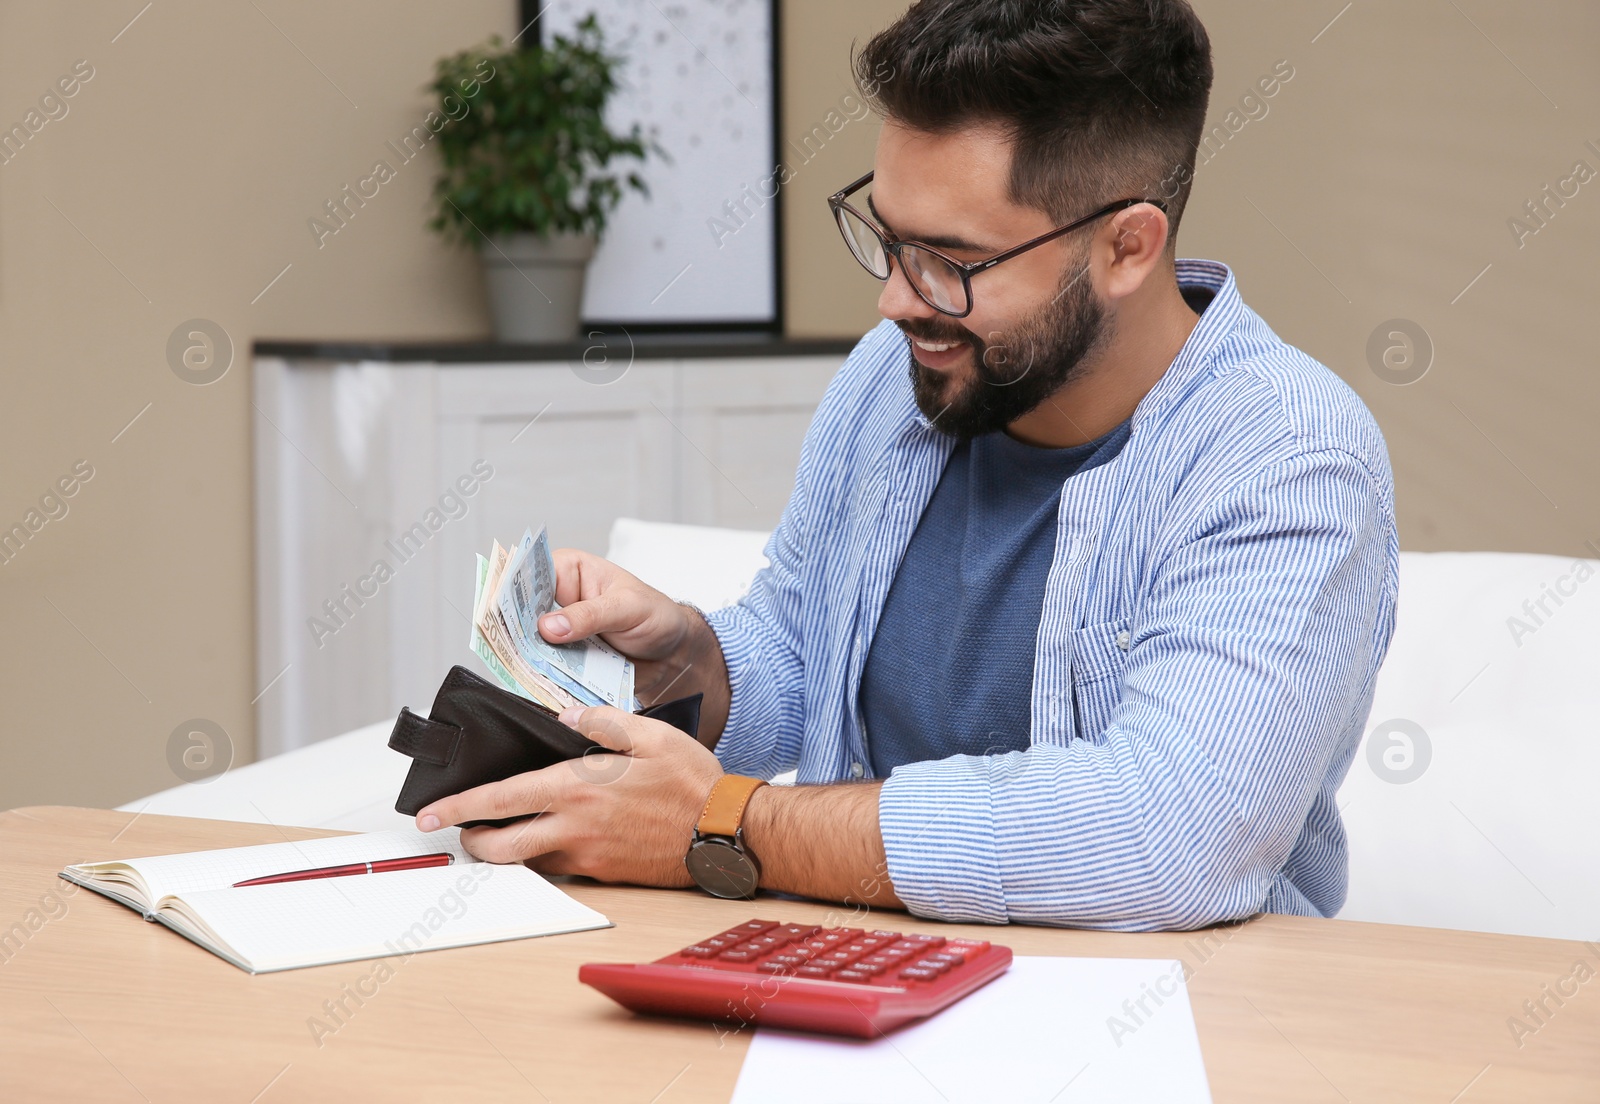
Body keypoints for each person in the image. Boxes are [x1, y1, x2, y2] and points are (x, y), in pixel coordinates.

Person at [415, 0, 1398, 931]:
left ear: (1126, 247)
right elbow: (803, 651)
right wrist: (685, 656)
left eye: (951, 260)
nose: (895, 301)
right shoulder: (899, 376)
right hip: (855, 965)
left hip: (1163, 1012)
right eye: (886, 236)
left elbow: (1168, 834)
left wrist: (724, 823)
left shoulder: (1286, 456)